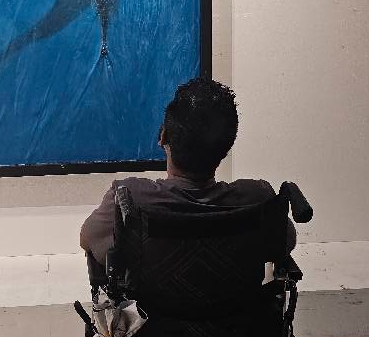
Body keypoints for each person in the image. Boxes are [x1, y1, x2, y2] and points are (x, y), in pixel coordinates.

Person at [80, 76, 296, 265]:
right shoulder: (257, 198)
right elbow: (286, 241)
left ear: (163, 137)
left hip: (154, 302)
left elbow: (88, 240)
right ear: (227, 146)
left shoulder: (129, 199)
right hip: (238, 301)